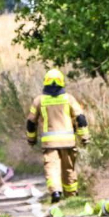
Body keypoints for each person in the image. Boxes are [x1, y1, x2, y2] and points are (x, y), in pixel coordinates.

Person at [26, 68, 90, 203]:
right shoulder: (69, 99)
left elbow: (31, 122)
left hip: (50, 144)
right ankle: (72, 196)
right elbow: (81, 119)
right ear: (62, 82)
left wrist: (31, 139)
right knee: (68, 168)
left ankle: (56, 192)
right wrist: (84, 137)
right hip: (68, 142)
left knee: (52, 168)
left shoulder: (39, 101)